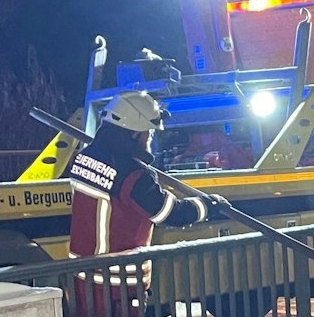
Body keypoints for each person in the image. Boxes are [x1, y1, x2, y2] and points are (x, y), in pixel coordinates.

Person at [68, 90, 229, 259]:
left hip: (82, 274)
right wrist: (209, 205)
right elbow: (172, 213)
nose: (150, 138)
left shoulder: (83, 158)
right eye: (149, 132)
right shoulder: (134, 175)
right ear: (135, 133)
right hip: (118, 279)